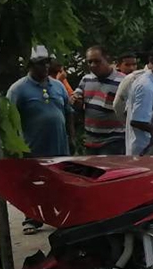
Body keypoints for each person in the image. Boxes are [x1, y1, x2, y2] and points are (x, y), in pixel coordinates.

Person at [8, 46, 73, 234]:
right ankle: (32, 219)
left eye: (47, 62)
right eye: (40, 63)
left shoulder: (58, 85)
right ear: (30, 65)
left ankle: (61, 218)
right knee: (34, 184)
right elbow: (9, 119)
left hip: (59, 145)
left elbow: (68, 112)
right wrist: (16, 145)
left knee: (60, 182)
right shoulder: (18, 89)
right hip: (33, 146)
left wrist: (72, 136)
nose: (45, 67)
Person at [75, 45, 126, 155]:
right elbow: (76, 101)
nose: (93, 65)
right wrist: (75, 101)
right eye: (90, 62)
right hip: (90, 140)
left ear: (107, 60)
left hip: (113, 141)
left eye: (97, 61)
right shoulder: (86, 79)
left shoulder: (122, 81)